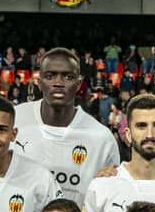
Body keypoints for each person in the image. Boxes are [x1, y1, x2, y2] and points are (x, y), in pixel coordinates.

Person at [13, 47, 120, 201]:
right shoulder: (15, 121)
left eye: (68, 77)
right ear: (39, 82)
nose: (58, 83)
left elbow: (109, 197)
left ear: (78, 84)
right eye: (50, 76)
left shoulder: (101, 138)